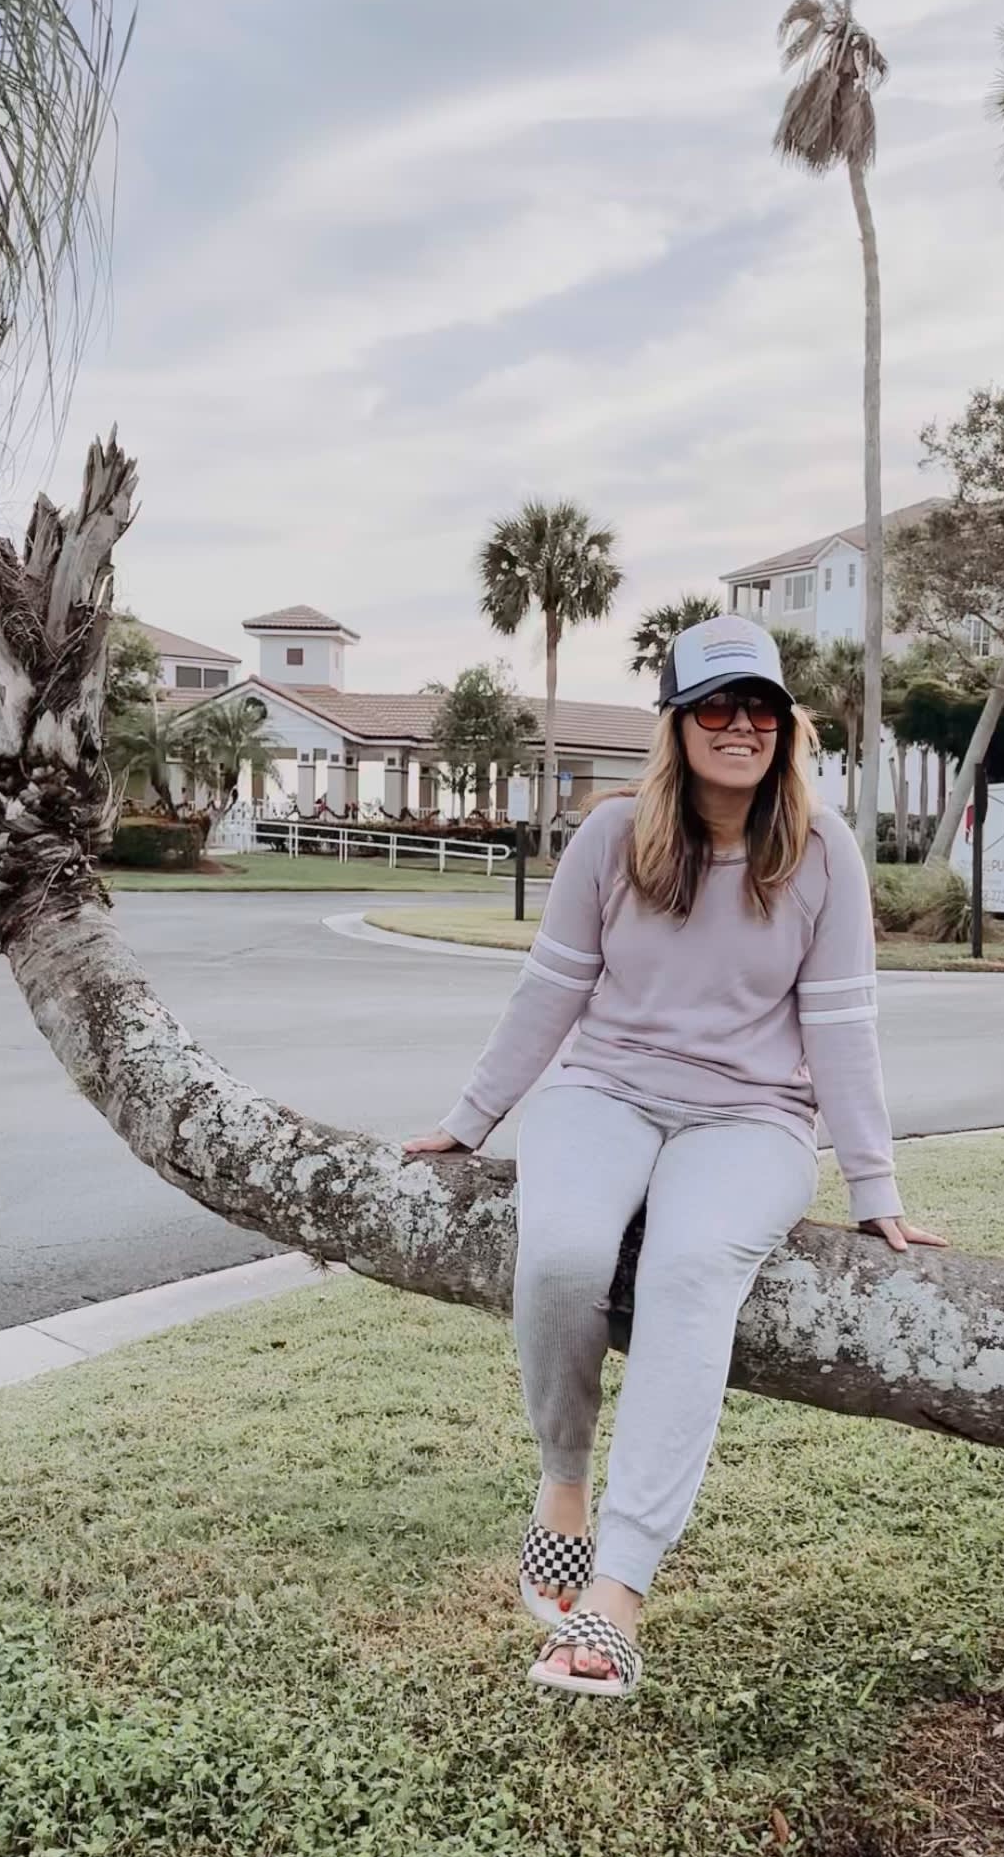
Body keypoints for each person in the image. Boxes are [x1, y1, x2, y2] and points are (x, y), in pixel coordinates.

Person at [404, 615, 944, 1699]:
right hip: (604, 1093)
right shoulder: (610, 838)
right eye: (715, 706)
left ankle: (620, 1592)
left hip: (751, 1120)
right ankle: (563, 1480)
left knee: (690, 1269)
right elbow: (550, 991)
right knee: (561, 1251)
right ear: (678, 722)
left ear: (786, 727)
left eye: (759, 708)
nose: (739, 725)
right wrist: (473, 1117)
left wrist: (875, 1185)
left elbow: (842, 1027)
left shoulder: (824, 852)